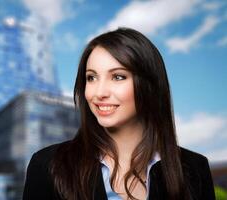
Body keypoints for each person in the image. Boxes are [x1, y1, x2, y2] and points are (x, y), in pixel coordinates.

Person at [22, 28, 215, 200]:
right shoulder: (47, 165)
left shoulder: (194, 168)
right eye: (91, 77)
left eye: (118, 77)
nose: (99, 92)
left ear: (149, 85)